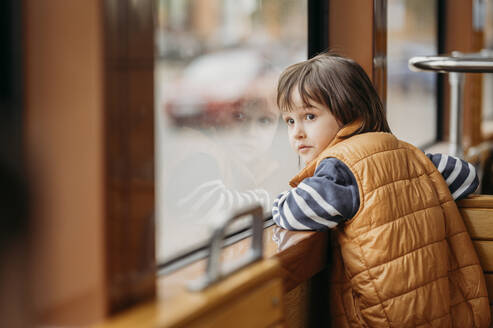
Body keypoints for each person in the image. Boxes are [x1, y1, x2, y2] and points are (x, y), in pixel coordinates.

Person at [271, 53, 490, 327]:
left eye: (310, 116)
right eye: (290, 121)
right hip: (443, 309)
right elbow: (466, 175)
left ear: (350, 111)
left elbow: (296, 211)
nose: (297, 133)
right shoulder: (406, 152)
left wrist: (278, 202)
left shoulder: (341, 168)